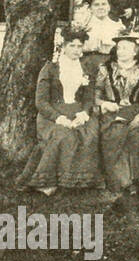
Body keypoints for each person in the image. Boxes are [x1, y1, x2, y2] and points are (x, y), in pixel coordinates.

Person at [19, 30, 102, 194]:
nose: (76, 50)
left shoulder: (86, 68)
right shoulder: (50, 69)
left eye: (80, 46)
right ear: (63, 46)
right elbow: (41, 102)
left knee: (90, 134)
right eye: (72, 46)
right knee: (63, 135)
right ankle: (48, 181)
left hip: (78, 110)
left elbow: (88, 98)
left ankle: (79, 181)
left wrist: (84, 113)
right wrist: (59, 118)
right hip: (52, 113)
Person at [96, 30, 139, 198]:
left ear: (135, 51)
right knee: (116, 134)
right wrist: (105, 103)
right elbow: (95, 95)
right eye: (119, 48)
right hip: (112, 112)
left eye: (126, 48)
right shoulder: (105, 68)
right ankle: (123, 181)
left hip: (134, 110)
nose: (121, 51)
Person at [79, 0, 126, 77]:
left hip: (109, 66)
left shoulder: (117, 26)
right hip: (86, 66)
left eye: (103, 4)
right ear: (90, 8)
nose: (100, 7)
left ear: (109, 7)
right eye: (96, 5)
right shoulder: (82, 26)